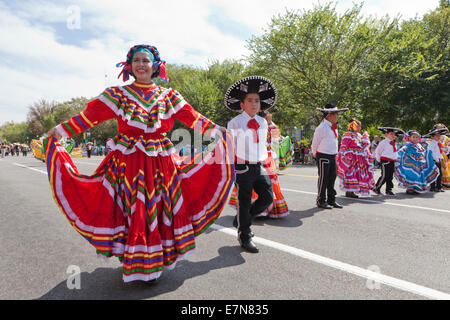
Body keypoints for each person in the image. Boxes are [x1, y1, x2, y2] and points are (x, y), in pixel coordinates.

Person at [44, 44, 234, 283]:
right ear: (129, 66)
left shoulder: (169, 96)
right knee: (129, 209)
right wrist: (61, 130)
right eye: (136, 60)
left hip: (161, 164)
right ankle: (134, 257)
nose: (141, 64)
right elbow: (89, 116)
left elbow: (191, 116)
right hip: (127, 163)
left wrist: (217, 130)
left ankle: (153, 261)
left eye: (146, 60)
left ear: (156, 66)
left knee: (160, 208)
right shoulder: (117, 94)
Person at [225, 76, 276, 253]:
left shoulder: (263, 122)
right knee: (244, 201)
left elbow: (262, 145)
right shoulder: (235, 123)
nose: (254, 104)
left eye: (257, 100)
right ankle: (244, 235)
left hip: (259, 165)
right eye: (250, 100)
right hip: (242, 167)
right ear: (242, 104)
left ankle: (242, 219)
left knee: (268, 197)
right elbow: (229, 147)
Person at [228, 109, 290, 221]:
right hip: (257, 158)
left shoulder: (269, 126)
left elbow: (276, 136)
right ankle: (252, 213)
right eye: (268, 114)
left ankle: (264, 209)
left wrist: (270, 124)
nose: (271, 115)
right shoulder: (252, 126)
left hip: (268, 157)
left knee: (270, 185)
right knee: (253, 185)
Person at [311, 103, 349, 209]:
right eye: (336, 114)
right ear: (329, 115)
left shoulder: (333, 127)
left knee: (332, 179)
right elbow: (315, 142)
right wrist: (315, 153)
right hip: (323, 155)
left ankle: (331, 200)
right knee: (324, 179)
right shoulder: (321, 127)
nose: (337, 116)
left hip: (332, 155)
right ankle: (321, 201)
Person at [337, 119, 375, 198]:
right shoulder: (347, 134)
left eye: (360, 126)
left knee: (358, 174)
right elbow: (343, 146)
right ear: (353, 125)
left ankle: (352, 190)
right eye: (358, 126)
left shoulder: (359, 135)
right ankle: (349, 191)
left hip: (359, 158)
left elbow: (361, 146)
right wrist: (341, 155)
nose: (360, 128)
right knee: (351, 173)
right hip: (351, 157)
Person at [394, 130, 439, 194]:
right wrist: (398, 159)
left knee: (418, 176)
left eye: (416, 137)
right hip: (410, 164)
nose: (415, 138)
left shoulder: (418, 145)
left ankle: (414, 188)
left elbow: (423, 152)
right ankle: (409, 189)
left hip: (419, 164)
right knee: (411, 175)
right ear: (409, 138)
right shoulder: (408, 145)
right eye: (413, 137)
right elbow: (401, 151)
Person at [373, 127, 404, 196]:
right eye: (391, 134)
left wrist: (396, 159)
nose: (393, 136)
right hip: (385, 161)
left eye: (394, 134)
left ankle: (388, 190)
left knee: (390, 177)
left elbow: (394, 152)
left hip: (392, 161)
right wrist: (379, 160)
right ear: (386, 134)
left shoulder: (393, 143)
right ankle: (376, 188)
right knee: (384, 176)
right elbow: (378, 151)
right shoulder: (383, 142)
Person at [424, 127, 447, 192]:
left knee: (439, 174)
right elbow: (431, 153)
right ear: (432, 137)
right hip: (434, 161)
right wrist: (435, 159)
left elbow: (438, 152)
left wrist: (440, 158)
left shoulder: (437, 143)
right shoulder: (431, 144)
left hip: (437, 160)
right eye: (437, 136)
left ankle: (439, 187)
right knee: (434, 174)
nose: (439, 137)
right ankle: (433, 187)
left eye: (439, 135)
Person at [433, 124, 450, 189]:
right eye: (438, 128)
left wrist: (447, 150)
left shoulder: (446, 138)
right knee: (436, 169)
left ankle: (444, 183)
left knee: (444, 169)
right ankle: (436, 183)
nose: (440, 129)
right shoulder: (433, 136)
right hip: (436, 155)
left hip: (444, 156)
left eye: (442, 128)